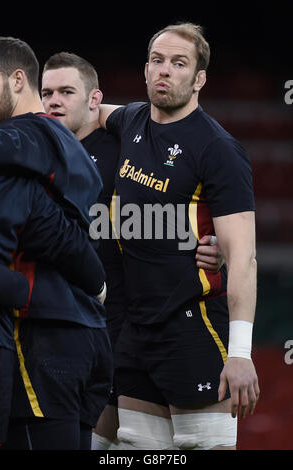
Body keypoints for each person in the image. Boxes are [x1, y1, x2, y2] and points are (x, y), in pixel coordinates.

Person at [40, 51, 224, 450]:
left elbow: (191, 192)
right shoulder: (33, 154)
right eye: (47, 92)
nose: (54, 100)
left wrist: (216, 243)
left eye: (66, 91)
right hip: (55, 331)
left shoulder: (124, 145)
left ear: (92, 99)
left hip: (122, 332)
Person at [98, 22, 260, 450]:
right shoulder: (130, 119)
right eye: (157, 60)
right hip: (135, 331)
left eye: (178, 63)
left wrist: (240, 352)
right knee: (134, 451)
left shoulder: (217, 148)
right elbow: (88, 111)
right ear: (145, 69)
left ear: (200, 78)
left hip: (193, 329)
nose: (164, 70)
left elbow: (243, 257)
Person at [0, 36, 112, 450]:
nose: (57, 101)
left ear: (16, 80)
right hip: (86, 330)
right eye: (52, 92)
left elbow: (37, 230)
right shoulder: (69, 145)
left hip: (39, 331)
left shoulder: (21, 138)